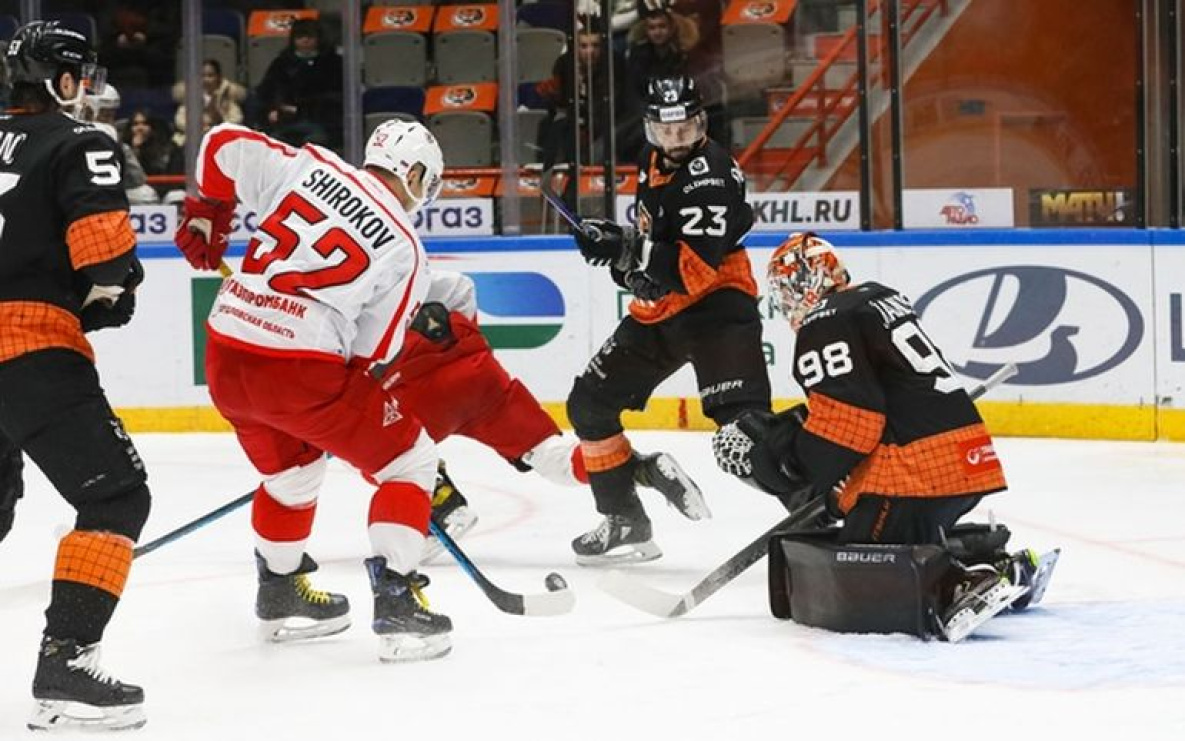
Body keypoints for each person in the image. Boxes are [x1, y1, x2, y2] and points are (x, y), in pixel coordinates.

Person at [174, 118, 452, 663]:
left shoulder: (311, 166)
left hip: (225, 353)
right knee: (410, 462)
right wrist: (359, 426)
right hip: (300, 367)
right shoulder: (405, 248)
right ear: (414, 172)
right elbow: (373, 354)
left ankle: (280, 593)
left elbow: (221, 143)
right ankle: (399, 601)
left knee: (293, 472)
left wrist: (209, 215)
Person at [712, 232, 1053, 640]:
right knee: (892, 535)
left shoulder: (826, 320)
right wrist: (839, 488)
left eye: (787, 289)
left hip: (918, 472)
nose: (785, 302)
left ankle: (960, 584)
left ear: (807, 283)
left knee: (856, 566)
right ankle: (996, 562)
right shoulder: (876, 301)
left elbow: (851, 427)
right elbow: (879, 411)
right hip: (966, 457)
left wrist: (782, 465)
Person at [0, 21, 151, 730]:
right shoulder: (80, 143)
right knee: (117, 498)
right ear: (62, 79)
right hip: (26, 349)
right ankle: (66, 663)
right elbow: (104, 260)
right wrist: (113, 292)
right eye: (80, 74)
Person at [566, 75, 771, 565]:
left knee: (744, 429)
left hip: (717, 306)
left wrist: (627, 251)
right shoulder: (651, 160)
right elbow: (653, 245)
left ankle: (820, 507)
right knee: (589, 405)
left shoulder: (711, 177)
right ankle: (625, 520)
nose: (675, 141)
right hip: (664, 310)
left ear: (700, 123)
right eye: (666, 130)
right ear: (652, 128)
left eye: (685, 129)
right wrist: (622, 257)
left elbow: (694, 271)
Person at [376, 269, 693, 561]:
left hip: (419, 390)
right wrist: (460, 348)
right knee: (557, 460)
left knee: (378, 450)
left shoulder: (353, 295)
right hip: (482, 377)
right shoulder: (423, 271)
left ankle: (443, 504)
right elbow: (462, 288)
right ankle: (641, 469)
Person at [254, 18, 344, 151]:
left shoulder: (332, 63)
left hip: (321, 122)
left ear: (319, 38)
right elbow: (267, 92)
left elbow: (337, 96)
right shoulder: (282, 63)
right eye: (300, 36)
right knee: (277, 144)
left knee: (315, 144)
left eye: (310, 36)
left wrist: (303, 108)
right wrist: (273, 109)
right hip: (286, 122)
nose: (305, 40)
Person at [172, 58, 247, 147]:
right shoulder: (190, 96)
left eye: (210, 75)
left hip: (220, 140)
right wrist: (198, 127)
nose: (206, 79)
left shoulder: (227, 96)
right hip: (192, 139)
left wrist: (216, 116)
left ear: (218, 77)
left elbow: (236, 121)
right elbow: (180, 121)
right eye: (202, 75)